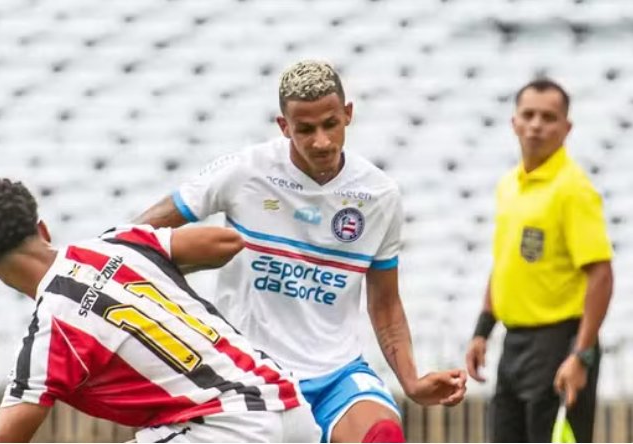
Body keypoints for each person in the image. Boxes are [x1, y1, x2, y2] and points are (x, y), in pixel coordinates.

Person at [134, 60, 467, 443]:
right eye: (305, 130)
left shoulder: (379, 195)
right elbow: (140, 231)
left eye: (331, 124)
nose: (321, 142)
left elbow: (385, 303)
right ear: (283, 127)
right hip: (246, 373)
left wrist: (411, 380)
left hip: (335, 374)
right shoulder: (245, 171)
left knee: (382, 435)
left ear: (348, 114)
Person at [0, 178, 320, 443]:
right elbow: (225, 242)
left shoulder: (50, 335)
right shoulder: (121, 243)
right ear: (42, 229)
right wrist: (145, 257)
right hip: (290, 408)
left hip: (225, 428)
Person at [465, 78, 614, 443]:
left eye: (548, 117)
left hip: (559, 342)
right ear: (513, 121)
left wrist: (581, 354)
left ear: (566, 128)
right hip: (515, 344)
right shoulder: (509, 186)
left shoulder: (573, 189)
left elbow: (601, 275)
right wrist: (483, 330)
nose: (536, 124)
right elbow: (503, 263)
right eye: (528, 114)